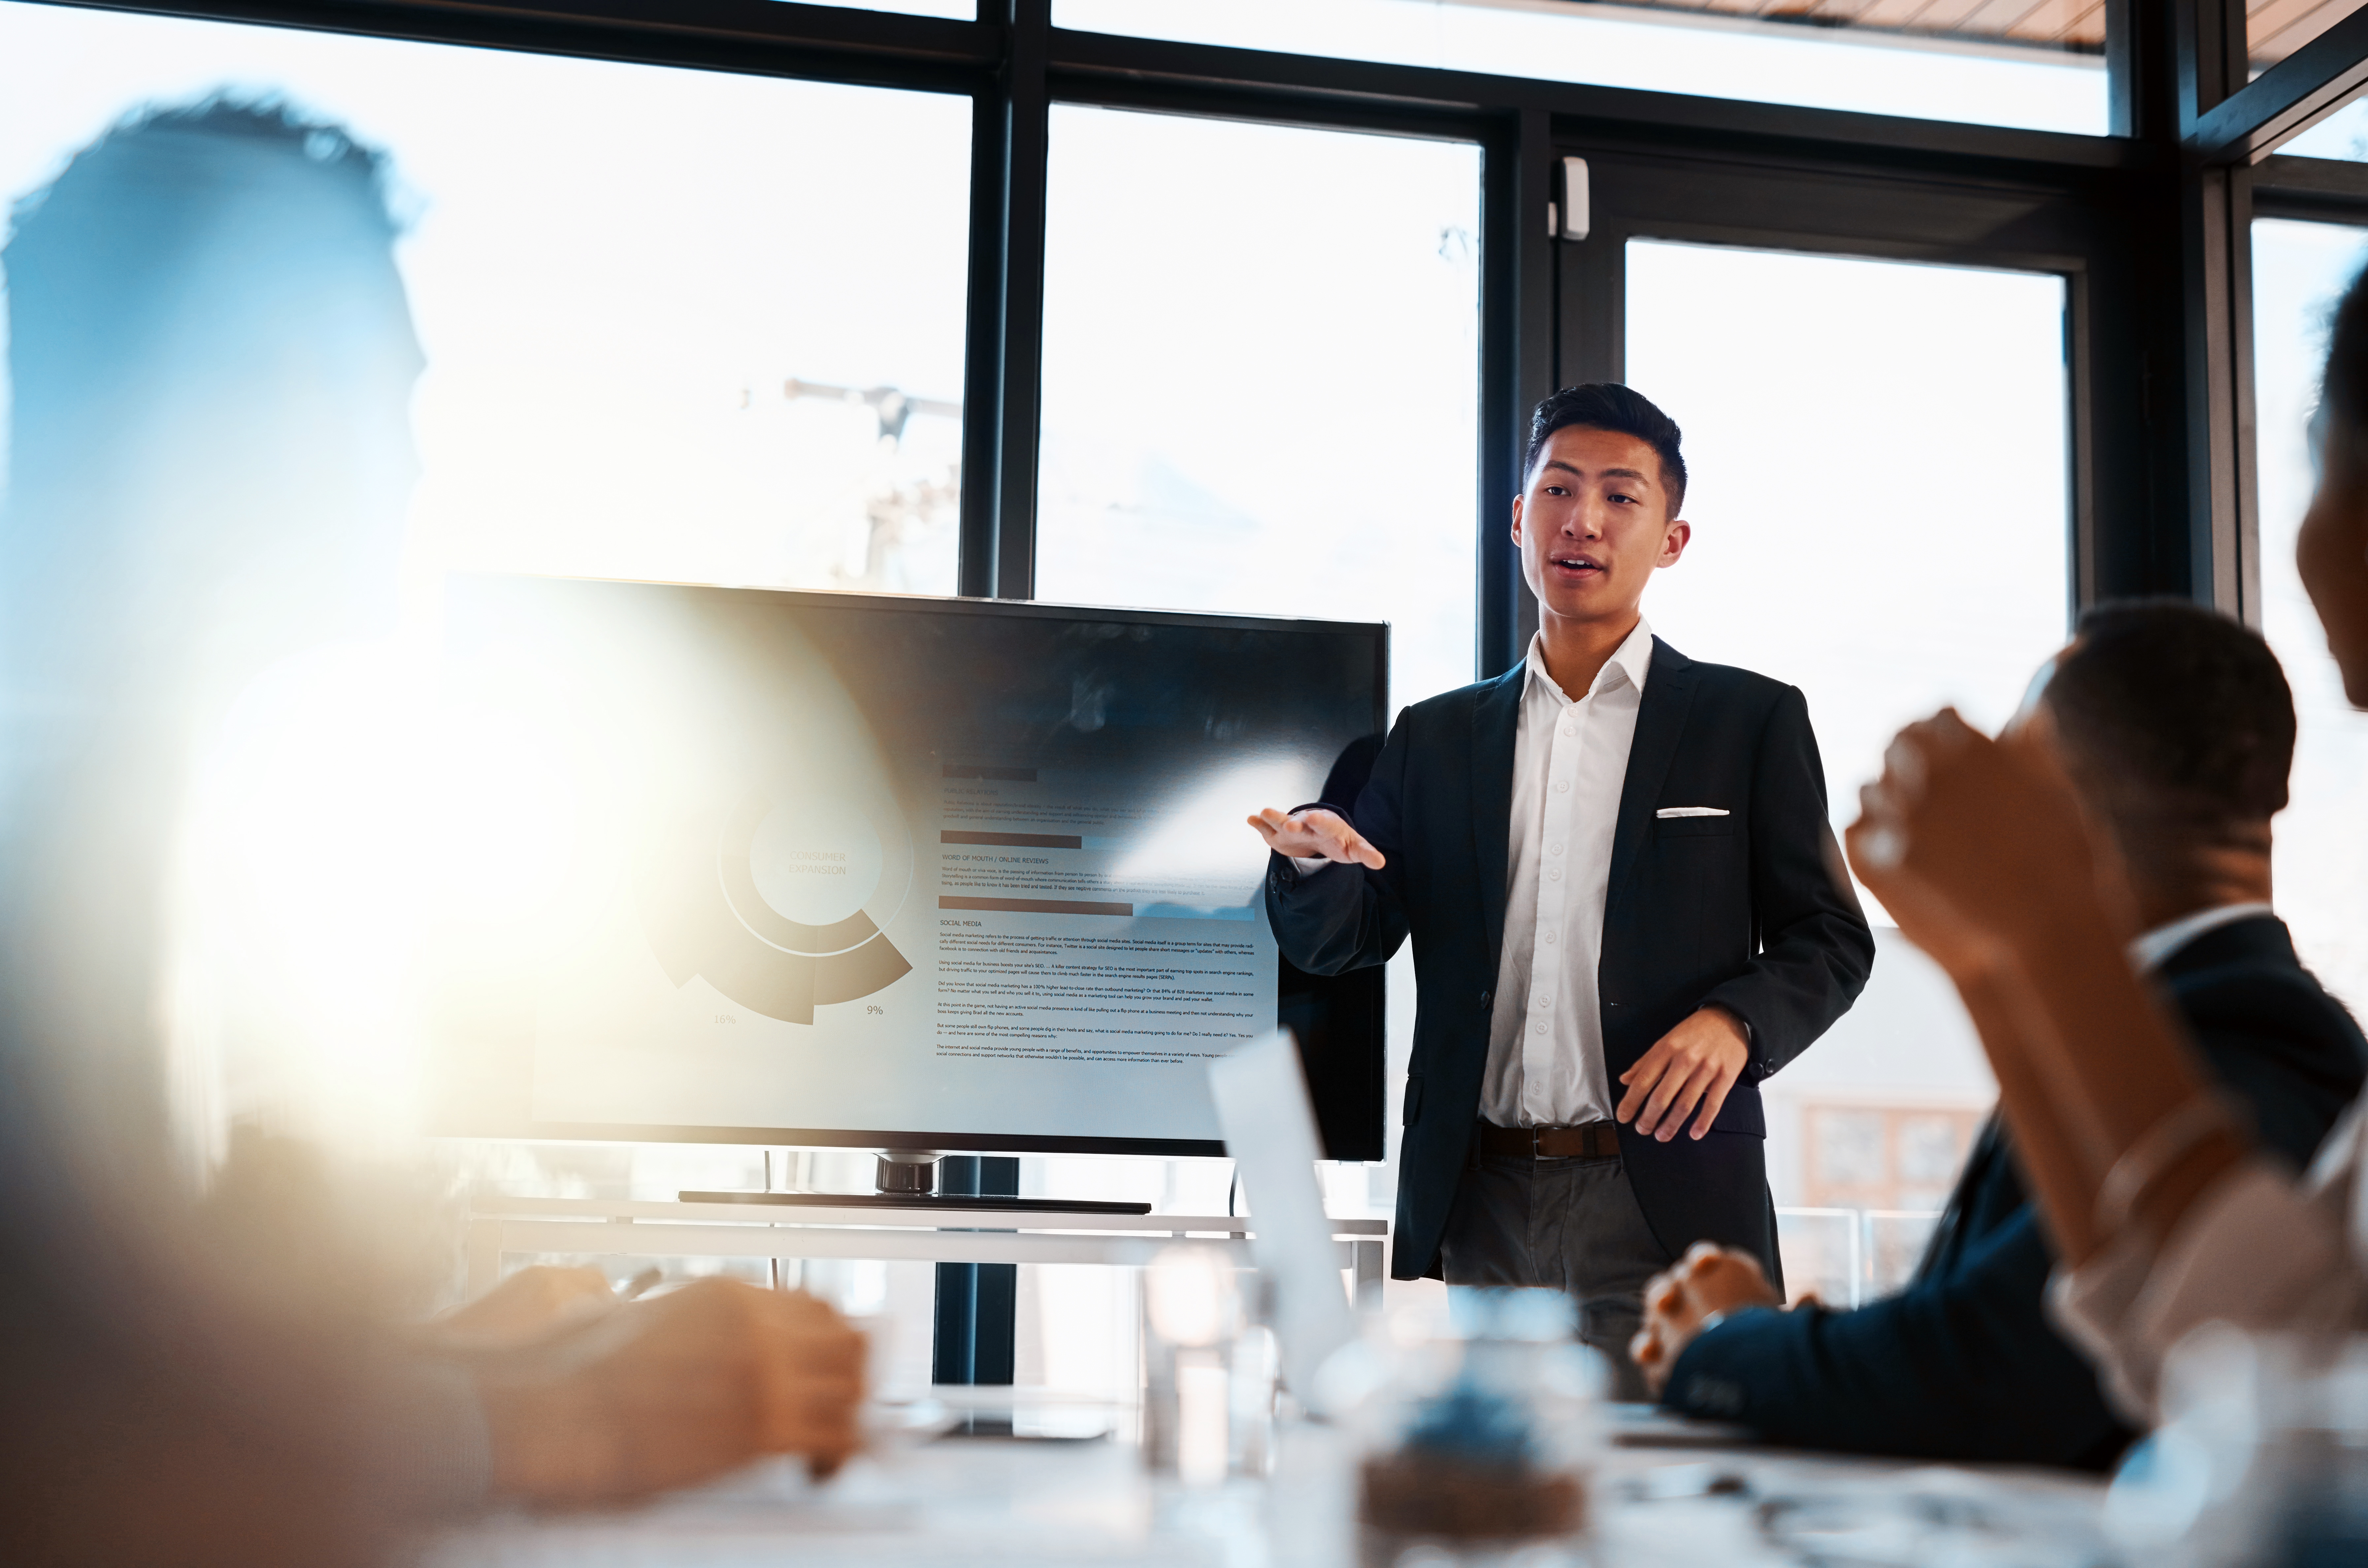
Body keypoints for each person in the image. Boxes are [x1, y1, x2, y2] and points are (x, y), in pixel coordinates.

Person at [0, 100, 861, 1565]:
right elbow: (60, 1446)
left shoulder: (122, 813)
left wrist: (460, 1358)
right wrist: (552, 1418)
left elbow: (99, 1358)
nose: (400, 471)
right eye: (341, 388)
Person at [1626, 603, 2367, 1466]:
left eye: (2012, 767)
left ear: (2047, 800)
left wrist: (1727, 1340)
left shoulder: (2243, 1041)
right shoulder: (2211, 1014)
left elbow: (1986, 1371)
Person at [1248, 384, 1874, 1388]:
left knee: (1664, 1522)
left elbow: (1832, 940)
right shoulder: (1436, 737)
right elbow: (1345, 941)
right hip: (1486, 1193)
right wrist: (1319, 863)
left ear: (1670, 540)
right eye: (1559, 490)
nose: (1583, 520)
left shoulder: (1748, 722)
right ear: (1517, 519)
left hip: (1666, 1190)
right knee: (1509, 1512)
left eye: (1621, 498)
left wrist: (1737, 1023)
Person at [1836, 260, 2368, 1425]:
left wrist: (2040, 929)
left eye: (2319, 454)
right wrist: (1995, 962)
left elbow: (2260, 1381)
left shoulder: (2257, 1034)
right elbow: (2184, 1345)